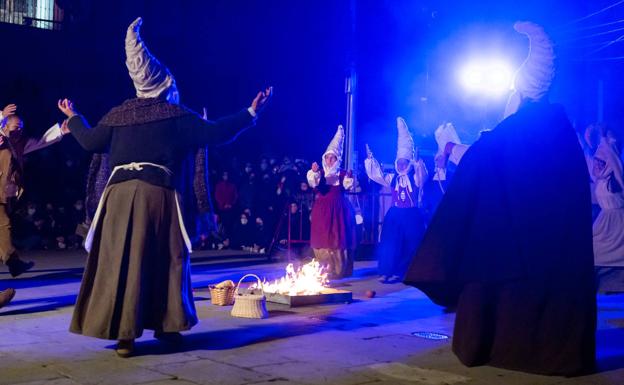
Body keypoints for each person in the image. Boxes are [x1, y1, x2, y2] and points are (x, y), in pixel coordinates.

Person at [57, 17, 272, 357]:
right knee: (167, 259)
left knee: (121, 262)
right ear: (162, 82)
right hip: (156, 196)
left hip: (117, 198)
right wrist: (249, 112)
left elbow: (88, 141)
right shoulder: (174, 115)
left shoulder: (117, 115)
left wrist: (74, 118)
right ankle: (167, 327)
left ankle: (124, 337)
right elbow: (214, 132)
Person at [404, 22, 595, 376]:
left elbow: (483, 159)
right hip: (554, 243)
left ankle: (503, 345)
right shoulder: (561, 129)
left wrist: (448, 145)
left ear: (522, 90)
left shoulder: (522, 126)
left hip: (519, 242)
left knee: (493, 272)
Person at [0, 103, 69, 276]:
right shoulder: (1, 141)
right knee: (3, 225)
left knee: (3, 227)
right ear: (5, 127)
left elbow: (40, 142)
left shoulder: (20, 144)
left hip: (5, 194)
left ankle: (13, 263)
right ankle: (13, 263)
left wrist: (60, 131)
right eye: (16, 127)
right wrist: (1, 116)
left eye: (22, 127)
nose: (20, 131)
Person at [364, 117, 428, 283]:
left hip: (411, 214)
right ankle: (386, 271)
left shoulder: (415, 177)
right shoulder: (393, 178)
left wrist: (418, 163)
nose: (400, 165)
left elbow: (422, 179)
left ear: (408, 162)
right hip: (395, 214)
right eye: (399, 162)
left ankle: (404, 272)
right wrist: (371, 161)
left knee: (411, 244)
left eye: (404, 162)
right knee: (390, 244)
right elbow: (378, 175)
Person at [307, 125, 356, 278]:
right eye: (327, 157)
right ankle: (325, 269)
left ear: (337, 159)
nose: (329, 160)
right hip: (322, 210)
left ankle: (339, 269)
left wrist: (349, 177)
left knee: (337, 237)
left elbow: (348, 185)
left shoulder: (341, 174)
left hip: (338, 209)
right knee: (322, 238)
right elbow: (313, 183)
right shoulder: (319, 173)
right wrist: (314, 172)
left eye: (332, 157)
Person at [586, 131, 624, 293]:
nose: (598, 165)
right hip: (604, 223)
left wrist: (605, 142)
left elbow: (615, 164)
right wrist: (586, 140)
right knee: (591, 248)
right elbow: (588, 158)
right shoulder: (600, 180)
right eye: (597, 161)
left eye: (602, 162)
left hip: (618, 224)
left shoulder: (617, 179)